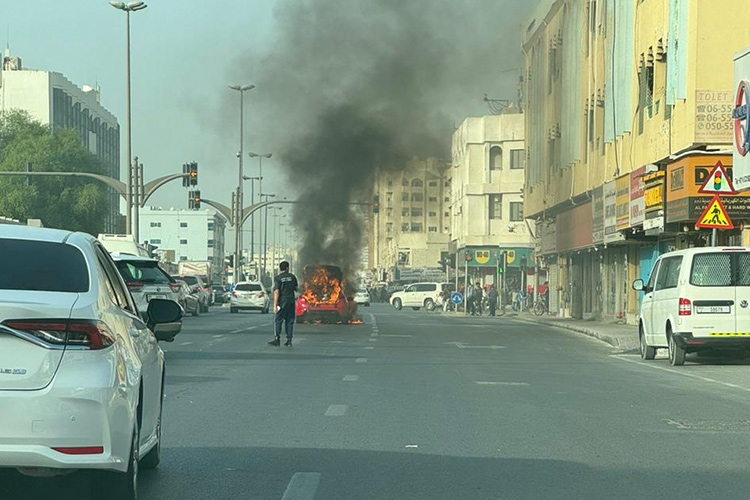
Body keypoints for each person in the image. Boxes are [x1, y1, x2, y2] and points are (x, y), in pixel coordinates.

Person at [268, 261, 298, 347]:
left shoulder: (278, 278)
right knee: (289, 321)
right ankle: (289, 341)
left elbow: (276, 291)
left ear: (280, 268)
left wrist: (274, 306)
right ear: (287, 268)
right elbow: (296, 289)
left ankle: (277, 339)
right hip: (291, 302)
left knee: (278, 320)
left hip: (282, 302)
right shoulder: (292, 277)